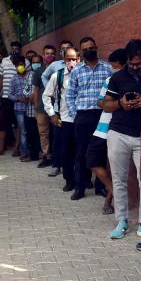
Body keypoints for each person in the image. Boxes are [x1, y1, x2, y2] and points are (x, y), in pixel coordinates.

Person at [104, 39, 141, 240]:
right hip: (119, 133)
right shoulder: (117, 77)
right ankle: (122, 221)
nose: (136, 67)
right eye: (132, 64)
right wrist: (120, 103)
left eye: (140, 63)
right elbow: (106, 104)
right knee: (119, 179)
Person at [66, 36, 112, 200]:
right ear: (81, 52)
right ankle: (80, 187)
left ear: (96, 47)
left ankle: (101, 187)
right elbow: (70, 94)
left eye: (91, 48)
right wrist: (74, 114)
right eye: (85, 49)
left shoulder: (107, 68)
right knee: (80, 153)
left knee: (101, 152)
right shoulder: (77, 70)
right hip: (83, 117)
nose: (88, 51)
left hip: (102, 116)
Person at [87, 48, 126, 216]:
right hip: (102, 128)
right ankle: (115, 193)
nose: (112, 68)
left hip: (118, 130)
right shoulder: (110, 80)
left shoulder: (131, 82)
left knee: (114, 169)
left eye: (115, 65)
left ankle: (108, 201)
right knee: (92, 161)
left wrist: (110, 104)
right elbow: (100, 101)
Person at [45, 46, 80, 185]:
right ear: (64, 60)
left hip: (81, 119)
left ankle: (83, 180)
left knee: (81, 152)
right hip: (65, 120)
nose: (71, 62)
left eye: (74, 59)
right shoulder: (57, 75)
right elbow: (46, 95)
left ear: (79, 59)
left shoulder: (84, 74)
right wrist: (52, 114)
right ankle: (69, 181)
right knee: (66, 152)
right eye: (68, 59)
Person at [0, 43, 22, 156]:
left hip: (18, 99)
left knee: (18, 124)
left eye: (17, 49)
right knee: (2, 123)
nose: (14, 50)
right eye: (13, 48)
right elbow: (1, 79)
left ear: (20, 50)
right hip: (5, 97)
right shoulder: (4, 61)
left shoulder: (24, 62)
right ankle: (1, 147)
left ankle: (17, 148)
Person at [8, 53, 35, 162]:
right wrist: (17, 98)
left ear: (25, 64)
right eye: (17, 65)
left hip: (31, 108)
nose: (20, 67)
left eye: (21, 64)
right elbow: (9, 94)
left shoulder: (31, 75)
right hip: (19, 109)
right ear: (15, 66)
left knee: (31, 130)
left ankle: (33, 151)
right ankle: (24, 152)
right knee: (23, 131)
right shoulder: (14, 79)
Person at [30, 52, 54, 168]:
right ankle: (46, 155)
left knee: (56, 132)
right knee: (43, 133)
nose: (49, 56)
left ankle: (57, 156)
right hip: (41, 107)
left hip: (56, 107)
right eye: (47, 53)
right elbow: (36, 90)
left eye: (52, 54)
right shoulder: (38, 71)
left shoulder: (59, 68)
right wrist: (35, 108)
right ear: (43, 55)